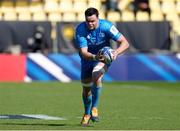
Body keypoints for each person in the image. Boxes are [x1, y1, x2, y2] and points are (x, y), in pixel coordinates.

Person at [75, 7, 129, 126]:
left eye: (93, 21)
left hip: (104, 58)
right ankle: (87, 114)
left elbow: (125, 43)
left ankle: (94, 108)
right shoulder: (80, 29)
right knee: (86, 90)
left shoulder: (107, 26)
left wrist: (116, 52)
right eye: (88, 21)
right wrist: (95, 57)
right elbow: (84, 52)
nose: (90, 24)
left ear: (98, 18)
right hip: (88, 59)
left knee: (97, 75)